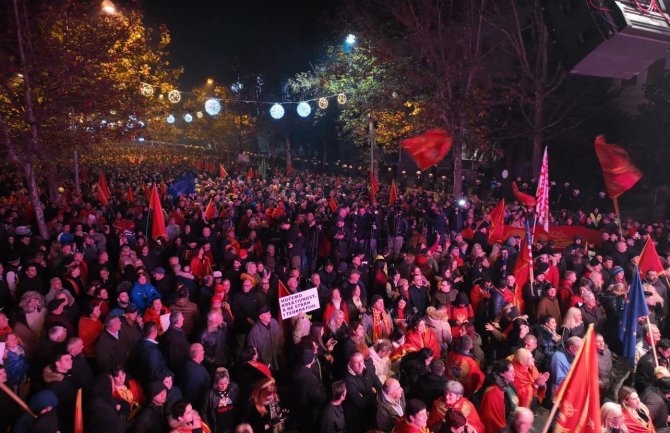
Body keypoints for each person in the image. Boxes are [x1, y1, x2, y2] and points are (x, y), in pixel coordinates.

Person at [343, 351, 382, 433]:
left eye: (361, 361)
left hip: (371, 410)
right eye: (357, 363)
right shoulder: (348, 380)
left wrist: (365, 395)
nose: (361, 365)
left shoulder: (367, 369)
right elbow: (360, 403)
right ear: (350, 364)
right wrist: (373, 392)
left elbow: (379, 386)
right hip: (357, 417)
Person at [291, 349, 326, 433]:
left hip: (298, 406)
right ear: (311, 360)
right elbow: (319, 398)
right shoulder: (310, 379)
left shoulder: (296, 369)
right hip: (309, 410)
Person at [479, 360, 519, 433]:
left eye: (514, 371)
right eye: (510, 372)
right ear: (501, 373)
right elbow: (492, 419)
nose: (514, 374)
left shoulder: (508, 383)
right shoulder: (493, 392)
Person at [202, 368, 240, 433]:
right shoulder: (210, 394)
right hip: (218, 427)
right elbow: (204, 413)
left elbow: (239, 406)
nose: (223, 386)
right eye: (220, 384)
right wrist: (208, 429)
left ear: (228, 381)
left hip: (232, 425)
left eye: (225, 383)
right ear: (216, 383)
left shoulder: (234, 388)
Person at [246, 306, 284, 371]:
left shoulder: (274, 322)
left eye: (270, 313)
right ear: (261, 317)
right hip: (265, 365)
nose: (270, 315)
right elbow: (252, 352)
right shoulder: (254, 332)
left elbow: (281, 338)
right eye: (268, 314)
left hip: (278, 359)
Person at [178, 343, 212, 412]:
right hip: (197, 406)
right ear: (198, 354)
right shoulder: (195, 373)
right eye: (202, 350)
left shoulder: (189, 364)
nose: (204, 352)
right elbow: (194, 394)